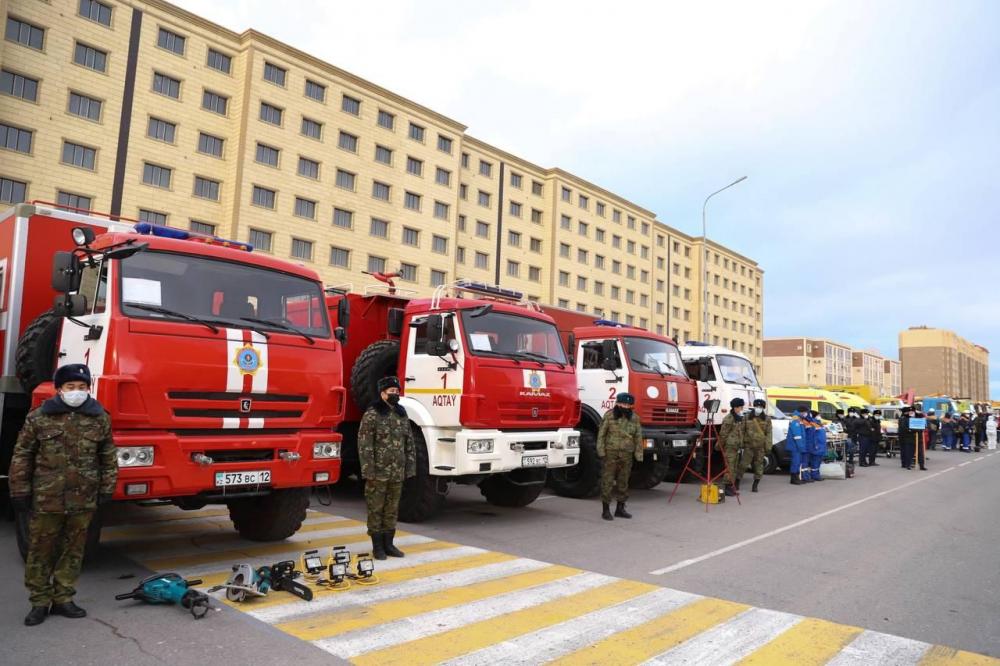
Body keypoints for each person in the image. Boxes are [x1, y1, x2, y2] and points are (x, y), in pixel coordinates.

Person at [8, 364, 117, 627]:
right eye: (71, 387)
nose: (76, 392)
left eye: (82, 387)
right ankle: (39, 601)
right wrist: (19, 490)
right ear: (59, 389)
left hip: (84, 499)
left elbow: (108, 457)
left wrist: (106, 488)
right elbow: (22, 455)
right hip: (48, 498)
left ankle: (63, 598)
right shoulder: (39, 417)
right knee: (40, 551)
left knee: (73, 550)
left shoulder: (99, 416)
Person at [358, 375, 416, 560]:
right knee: (376, 509)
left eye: (397, 392)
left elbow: (409, 442)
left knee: (392, 509)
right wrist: (369, 471)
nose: (395, 395)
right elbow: (364, 445)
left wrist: (410, 467)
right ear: (382, 394)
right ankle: (377, 547)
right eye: (391, 392)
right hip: (378, 472)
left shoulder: (401, 413)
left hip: (396, 471)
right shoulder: (373, 414)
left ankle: (389, 544)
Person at [597, 392, 643, 520]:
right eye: (622, 404)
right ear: (617, 403)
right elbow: (601, 434)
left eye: (628, 405)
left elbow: (638, 437)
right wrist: (601, 451)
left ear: (631, 406)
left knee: (623, 481)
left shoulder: (635, 418)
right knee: (608, 481)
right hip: (610, 453)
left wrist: (639, 455)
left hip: (626, 454)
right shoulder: (609, 416)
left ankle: (620, 509)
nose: (625, 406)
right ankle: (605, 510)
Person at [716, 397, 747, 496]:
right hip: (730, 447)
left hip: (736, 447)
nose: (741, 409)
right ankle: (726, 487)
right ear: (735, 407)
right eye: (740, 407)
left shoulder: (738, 419)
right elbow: (723, 434)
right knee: (730, 467)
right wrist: (719, 446)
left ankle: (731, 486)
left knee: (734, 467)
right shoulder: (729, 419)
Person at [743, 398, 771, 492]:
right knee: (743, 465)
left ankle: (755, 485)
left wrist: (768, 447)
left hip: (760, 447)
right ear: (754, 407)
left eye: (761, 407)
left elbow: (769, 434)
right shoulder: (747, 417)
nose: (758, 408)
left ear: (763, 408)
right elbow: (742, 430)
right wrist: (741, 443)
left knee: (759, 466)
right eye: (757, 406)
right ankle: (737, 481)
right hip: (749, 446)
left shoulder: (767, 419)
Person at [787, 410, 807, 485]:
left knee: (798, 462)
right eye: (804, 412)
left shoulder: (799, 421)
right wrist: (801, 446)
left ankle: (796, 478)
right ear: (801, 413)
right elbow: (797, 436)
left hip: (797, 446)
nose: (805, 414)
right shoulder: (796, 422)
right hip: (795, 446)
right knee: (795, 462)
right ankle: (794, 479)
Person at [808, 413, 826, 481]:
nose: (820, 417)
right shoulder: (813, 423)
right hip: (817, 445)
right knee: (815, 461)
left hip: (821, 445)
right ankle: (814, 475)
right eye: (818, 415)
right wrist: (815, 444)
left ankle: (817, 474)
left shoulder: (818, 423)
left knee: (818, 461)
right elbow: (813, 436)